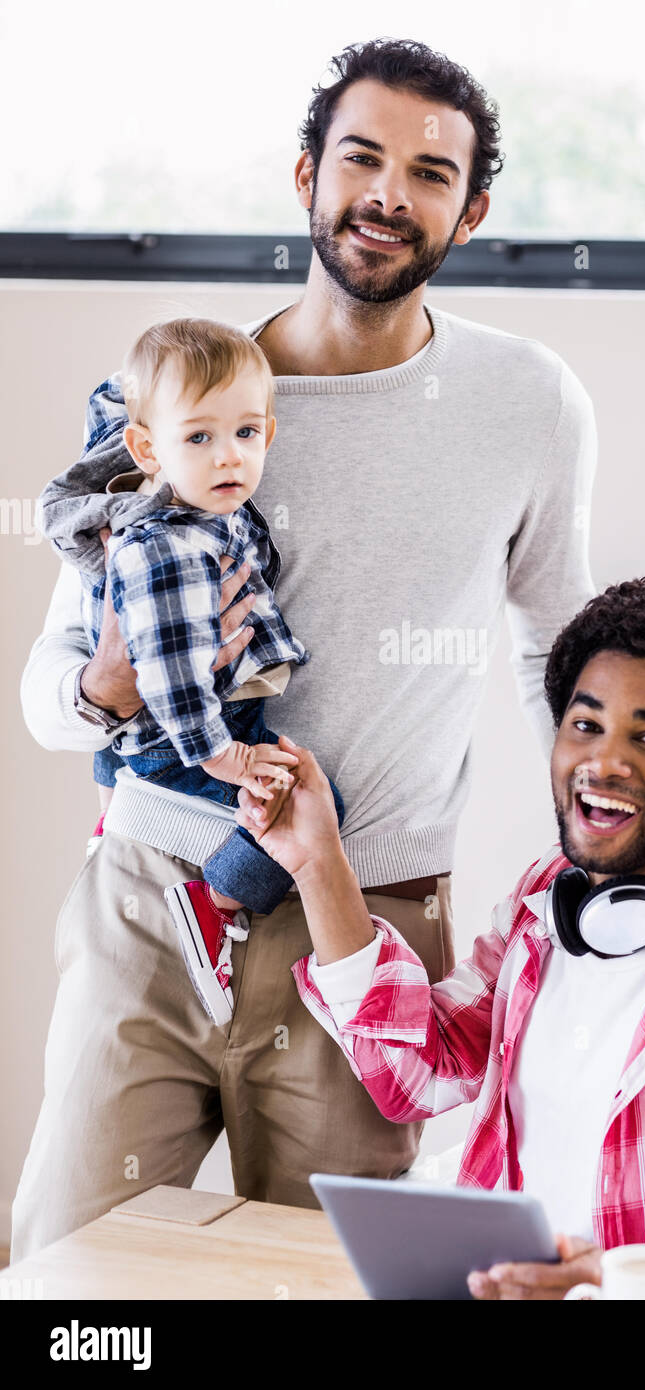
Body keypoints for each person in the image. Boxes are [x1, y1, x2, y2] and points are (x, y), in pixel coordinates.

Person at [12, 38, 596, 1259]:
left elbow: (558, 643)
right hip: (151, 904)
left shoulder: (527, 402)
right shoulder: (175, 389)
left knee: (325, 1279)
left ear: (470, 210)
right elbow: (50, 700)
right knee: (76, 1272)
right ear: (304, 178)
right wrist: (108, 682)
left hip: (361, 930)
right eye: (361, 158)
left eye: (428, 173)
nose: (387, 194)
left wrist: (588, 872)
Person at [240, 578, 645, 1301]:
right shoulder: (545, 901)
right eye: (586, 725)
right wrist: (318, 861)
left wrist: (636, 1282)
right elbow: (417, 1071)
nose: (604, 762)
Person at [36, 317, 345, 1025]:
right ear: (149, 450)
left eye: (244, 434)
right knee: (309, 806)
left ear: (267, 433)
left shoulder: (212, 509)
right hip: (188, 737)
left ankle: (126, 820)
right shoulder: (163, 547)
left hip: (207, 722)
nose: (227, 456)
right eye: (198, 438)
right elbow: (170, 679)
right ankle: (215, 904)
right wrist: (223, 757)